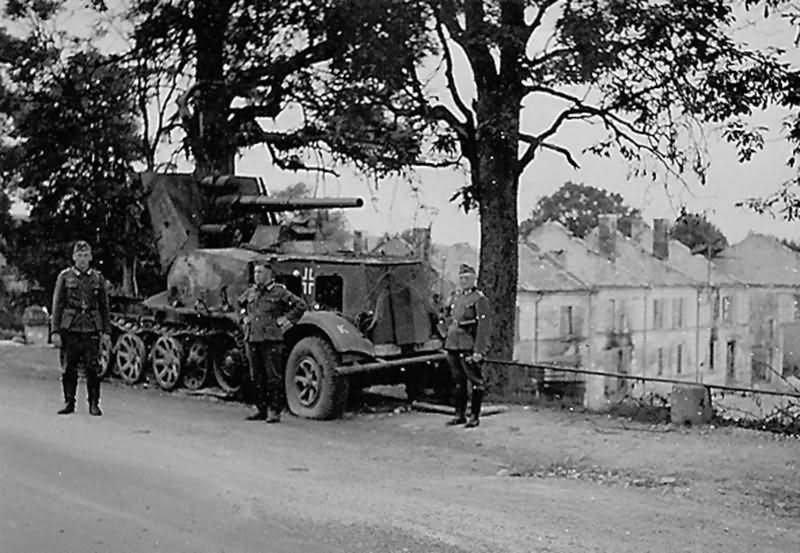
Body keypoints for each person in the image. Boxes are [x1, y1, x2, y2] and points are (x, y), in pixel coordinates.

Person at [238, 260, 307, 423]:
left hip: (271, 339)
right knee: (256, 376)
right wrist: (244, 318)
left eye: (260, 272)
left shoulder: (279, 292)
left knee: (273, 377)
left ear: (269, 274)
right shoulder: (252, 291)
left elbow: (300, 305)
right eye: (255, 272)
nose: (256, 276)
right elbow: (240, 304)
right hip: (252, 337)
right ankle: (260, 409)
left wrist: (286, 320)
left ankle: (274, 410)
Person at [51, 240, 111, 416]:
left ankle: (94, 403)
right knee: (69, 368)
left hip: (91, 328)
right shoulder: (65, 277)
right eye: (79, 255)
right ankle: (69, 402)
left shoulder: (97, 278)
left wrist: (106, 331)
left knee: (93, 368)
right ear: (73, 257)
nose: (82, 259)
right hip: (71, 328)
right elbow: (57, 305)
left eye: (85, 255)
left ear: (90, 257)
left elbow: (104, 307)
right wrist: (55, 331)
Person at [444, 263, 491, 428]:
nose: (463, 281)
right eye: (461, 278)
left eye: (467, 278)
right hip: (453, 345)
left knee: (475, 381)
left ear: (474, 280)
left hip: (468, 345)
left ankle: (474, 416)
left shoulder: (479, 299)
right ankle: (459, 414)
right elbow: (448, 318)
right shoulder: (456, 297)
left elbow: (484, 327)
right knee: (458, 381)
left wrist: (479, 351)